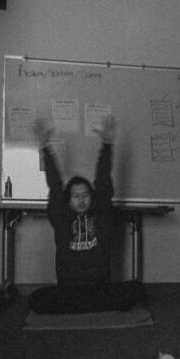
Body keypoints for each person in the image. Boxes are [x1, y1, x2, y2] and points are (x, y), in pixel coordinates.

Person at [28, 115, 147, 314]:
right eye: (76, 196)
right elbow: (56, 186)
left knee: (137, 289)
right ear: (68, 200)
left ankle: (84, 307)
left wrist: (107, 145)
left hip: (99, 289)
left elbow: (103, 181)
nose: (81, 200)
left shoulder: (102, 216)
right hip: (69, 290)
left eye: (85, 195)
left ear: (92, 197)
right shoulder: (61, 218)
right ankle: (88, 307)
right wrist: (45, 148)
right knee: (36, 299)